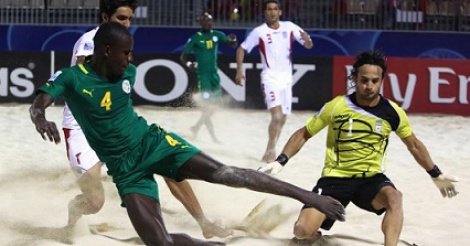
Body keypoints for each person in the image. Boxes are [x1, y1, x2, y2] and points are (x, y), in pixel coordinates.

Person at [30, 22, 345, 245]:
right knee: (159, 241)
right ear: (106, 50)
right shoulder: (72, 77)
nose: (130, 60)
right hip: (126, 171)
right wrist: (40, 116)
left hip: (155, 143)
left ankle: (307, 195)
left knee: (228, 174)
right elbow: (40, 101)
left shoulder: (127, 70)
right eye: (125, 53)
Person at [62, 0, 232, 239]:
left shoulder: (121, 43)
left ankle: (205, 223)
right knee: (95, 202)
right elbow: (80, 80)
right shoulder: (90, 42)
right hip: (83, 128)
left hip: (118, 126)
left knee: (166, 162)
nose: (127, 24)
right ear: (104, 18)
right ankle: (73, 215)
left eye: (130, 18)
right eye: (121, 18)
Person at [258, 50, 459, 245]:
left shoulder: (393, 112)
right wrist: (281, 160)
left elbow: (414, 145)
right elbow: (304, 133)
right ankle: (316, 240)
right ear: (354, 78)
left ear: (382, 80)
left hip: (371, 180)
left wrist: (435, 173)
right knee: (301, 232)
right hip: (334, 179)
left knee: (394, 197)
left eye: (375, 81)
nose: (369, 86)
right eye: (364, 80)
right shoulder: (337, 106)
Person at [235, 0, 313, 163]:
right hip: (269, 78)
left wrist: (307, 41)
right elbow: (241, 48)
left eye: (275, 9)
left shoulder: (289, 27)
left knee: (283, 118)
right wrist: (239, 70)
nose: (272, 12)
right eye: (269, 9)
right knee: (276, 117)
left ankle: (270, 149)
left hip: (286, 79)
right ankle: (270, 149)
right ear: (265, 12)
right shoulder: (259, 32)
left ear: (280, 12)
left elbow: (308, 45)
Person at [180, 12, 237, 143]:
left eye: (210, 21)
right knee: (207, 106)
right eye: (205, 21)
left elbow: (231, 44)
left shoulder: (217, 35)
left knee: (214, 106)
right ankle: (213, 137)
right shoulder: (195, 38)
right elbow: (183, 56)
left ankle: (196, 127)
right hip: (203, 76)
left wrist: (233, 40)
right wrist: (189, 64)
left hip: (214, 76)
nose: (208, 23)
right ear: (201, 23)